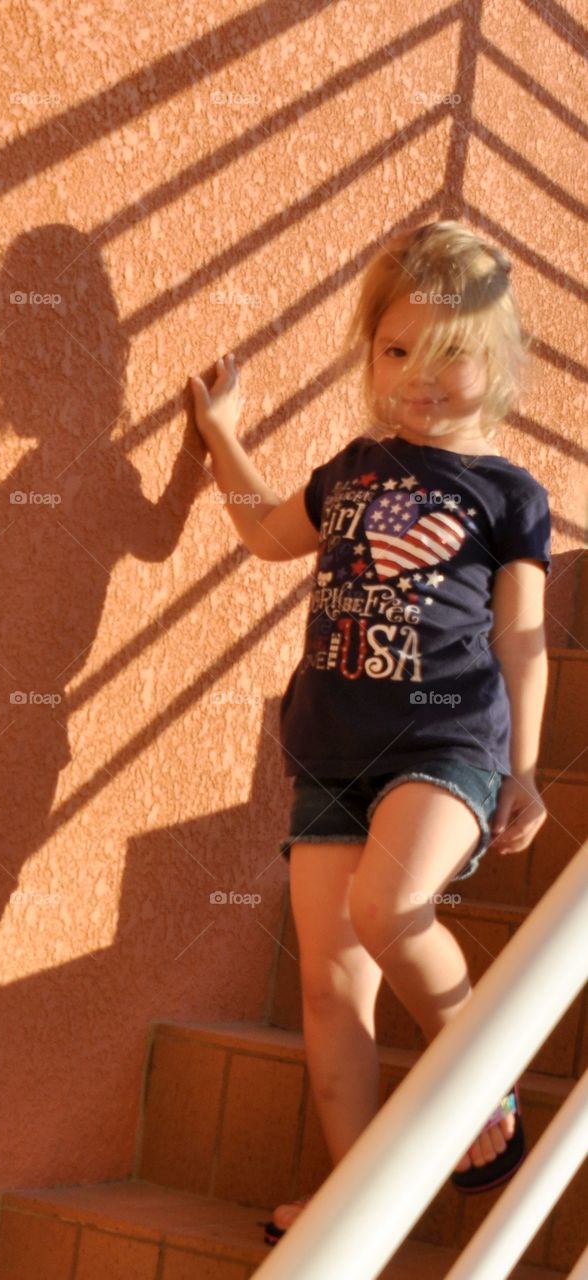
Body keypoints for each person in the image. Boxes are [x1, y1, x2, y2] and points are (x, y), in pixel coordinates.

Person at [189, 221, 552, 1245]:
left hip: (449, 747)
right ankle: (354, 1201)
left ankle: (487, 1084)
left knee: (390, 907)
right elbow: (267, 533)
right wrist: (223, 434)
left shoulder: (511, 494)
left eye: (449, 355)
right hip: (331, 751)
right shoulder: (354, 466)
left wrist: (523, 768)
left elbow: (522, 638)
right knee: (327, 978)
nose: (418, 378)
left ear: (501, 362)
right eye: (396, 352)